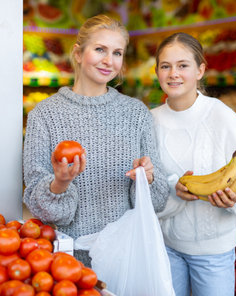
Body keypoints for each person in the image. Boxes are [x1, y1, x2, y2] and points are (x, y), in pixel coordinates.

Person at [23, 14, 169, 267]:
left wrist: (149, 177)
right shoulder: (44, 115)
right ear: (78, 53)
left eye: (117, 53)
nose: (108, 61)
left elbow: (156, 201)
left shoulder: (136, 114)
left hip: (126, 257)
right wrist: (60, 182)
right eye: (100, 49)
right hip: (66, 262)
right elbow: (39, 206)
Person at [151, 32, 236, 296]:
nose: (174, 74)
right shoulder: (150, 121)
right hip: (165, 247)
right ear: (157, 71)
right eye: (165, 66)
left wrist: (235, 199)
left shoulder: (223, 118)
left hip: (214, 252)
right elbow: (144, 185)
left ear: (200, 70)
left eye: (183, 65)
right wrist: (173, 188)